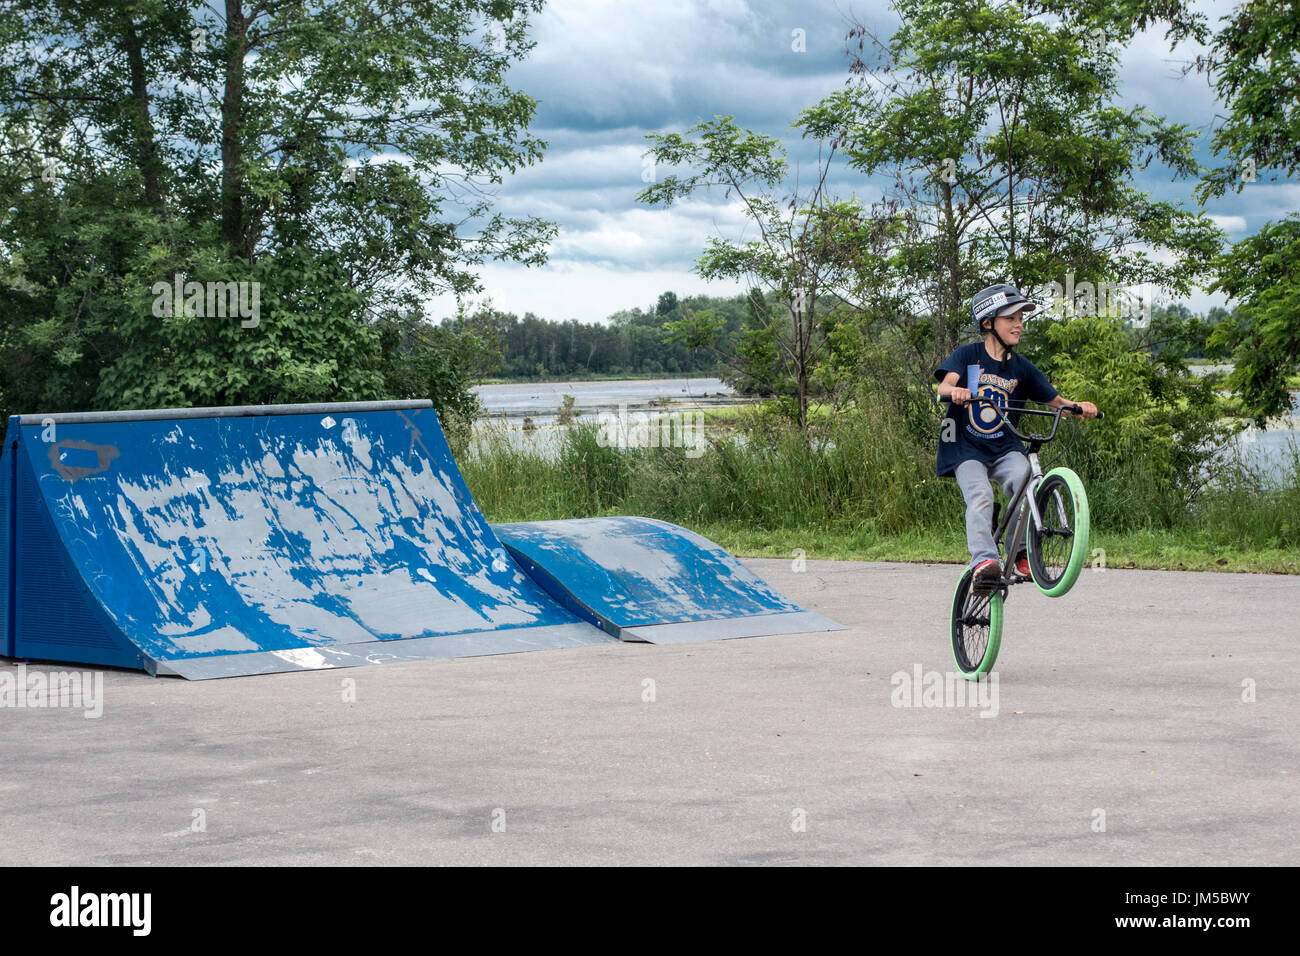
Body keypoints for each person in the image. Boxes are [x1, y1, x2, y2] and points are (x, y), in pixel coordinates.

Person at [935, 283, 1098, 591]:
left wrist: (1079, 408)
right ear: (988, 323)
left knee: (1028, 482)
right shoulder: (968, 356)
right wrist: (954, 391)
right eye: (1010, 317)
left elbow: (1057, 403)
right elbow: (944, 386)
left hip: (1004, 445)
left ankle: (1021, 553)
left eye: (1021, 317)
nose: (1019, 324)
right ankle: (984, 560)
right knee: (981, 497)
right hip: (965, 446)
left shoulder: (1022, 368)